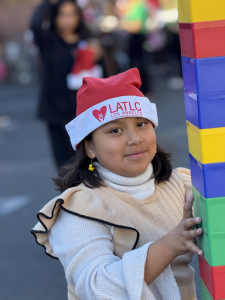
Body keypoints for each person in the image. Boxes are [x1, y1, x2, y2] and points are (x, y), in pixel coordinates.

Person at [31, 68, 202, 300]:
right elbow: (98, 289)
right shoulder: (78, 209)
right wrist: (170, 245)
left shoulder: (181, 184)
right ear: (89, 146)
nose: (134, 138)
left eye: (142, 124)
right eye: (115, 130)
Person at [30, 0, 104, 169]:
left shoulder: (89, 42)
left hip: (86, 112)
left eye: (72, 14)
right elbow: (36, 23)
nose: (67, 19)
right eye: (62, 14)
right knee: (66, 165)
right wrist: (49, 2)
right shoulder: (49, 41)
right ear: (54, 17)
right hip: (56, 112)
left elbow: (106, 74)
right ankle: (70, 195)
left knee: (91, 163)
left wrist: (98, 55)